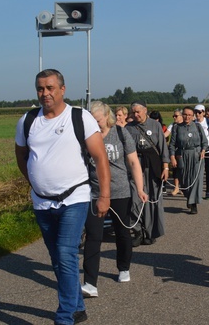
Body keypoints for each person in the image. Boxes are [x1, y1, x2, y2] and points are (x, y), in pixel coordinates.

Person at [15, 69, 111, 325]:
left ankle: (65, 315)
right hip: (42, 201)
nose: (44, 93)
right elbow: (21, 155)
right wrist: (34, 180)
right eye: (40, 88)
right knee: (57, 257)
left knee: (65, 252)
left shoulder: (79, 118)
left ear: (62, 89)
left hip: (75, 197)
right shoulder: (27, 121)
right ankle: (77, 307)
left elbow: (101, 158)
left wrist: (104, 195)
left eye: (49, 88)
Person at [81, 102, 147, 297]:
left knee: (122, 232)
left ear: (106, 117)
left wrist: (140, 189)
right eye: (91, 120)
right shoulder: (86, 137)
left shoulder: (120, 133)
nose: (95, 124)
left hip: (120, 191)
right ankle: (90, 283)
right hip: (94, 192)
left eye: (98, 120)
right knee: (93, 235)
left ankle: (123, 267)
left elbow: (133, 162)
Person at [126, 100, 170, 246]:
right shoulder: (129, 128)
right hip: (135, 167)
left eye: (138, 111)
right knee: (135, 200)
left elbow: (163, 147)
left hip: (153, 167)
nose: (136, 114)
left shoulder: (155, 125)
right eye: (133, 112)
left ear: (145, 110)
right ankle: (138, 231)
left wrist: (166, 167)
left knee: (151, 199)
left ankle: (151, 231)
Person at [168, 106, 207, 214]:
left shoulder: (198, 126)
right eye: (185, 114)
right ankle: (189, 196)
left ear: (193, 116)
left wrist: (203, 150)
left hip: (196, 155)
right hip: (182, 155)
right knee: (184, 181)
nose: (187, 117)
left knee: (195, 179)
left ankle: (193, 204)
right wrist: (172, 157)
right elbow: (172, 144)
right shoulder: (177, 127)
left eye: (189, 115)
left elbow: (205, 142)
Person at [165, 109, 183, 196]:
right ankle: (176, 187)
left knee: (183, 169)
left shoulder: (185, 125)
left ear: (181, 116)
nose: (174, 117)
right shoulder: (172, 125)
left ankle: (183, 187)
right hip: (174, 150)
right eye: (173, 116)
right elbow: (166, 134)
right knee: (175, 168)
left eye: (176, 116)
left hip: (184, 150)